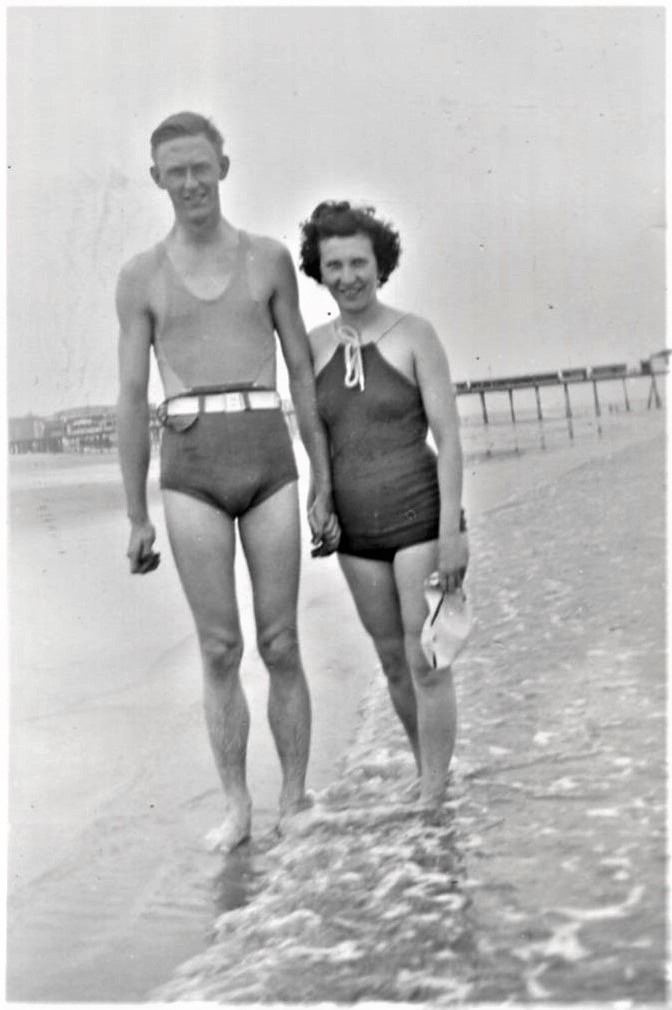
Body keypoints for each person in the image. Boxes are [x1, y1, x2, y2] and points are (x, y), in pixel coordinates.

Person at [115, 112, 340, 852]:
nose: (191, 183)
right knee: (219, 649)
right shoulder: (140, 277)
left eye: (201, 168)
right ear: (157, 178)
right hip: (191, 470)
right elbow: (130, 398)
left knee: (281, 641)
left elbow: (301, 373)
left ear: (223, 167)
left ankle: (295, 799)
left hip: (268, 459)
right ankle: (238, 807)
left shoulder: (268, 260)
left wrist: (322, 479)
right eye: (176, 171)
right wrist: (135, 513)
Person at [299, 200, 469, 808]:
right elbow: (315, 437)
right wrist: (319, 497)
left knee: (428, 662)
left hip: (422, 520)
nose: (348, 276)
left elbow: (450, 438)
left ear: (381, 264)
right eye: (334, 265)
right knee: (393, 663)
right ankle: (429, 774)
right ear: (319, 270)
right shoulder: (310, 347)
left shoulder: (416, 333)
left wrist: (452, 535)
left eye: (359, 263)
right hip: (356, 534)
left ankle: (433, 797)